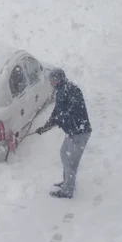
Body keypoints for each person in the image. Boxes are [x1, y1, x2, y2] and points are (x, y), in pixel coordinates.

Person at [35, 68, 92, 199]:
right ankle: (67, 182)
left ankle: (67, 191)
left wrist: (60, 120)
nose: (50, 83)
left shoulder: (71, 90)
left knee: (71, 161)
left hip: (80, 132)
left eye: (52, 80)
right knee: (64, 154)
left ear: (58, 79)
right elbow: (57, 112)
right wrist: (45, 127)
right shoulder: (62, 90)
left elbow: (69, 113)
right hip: (73, 131)